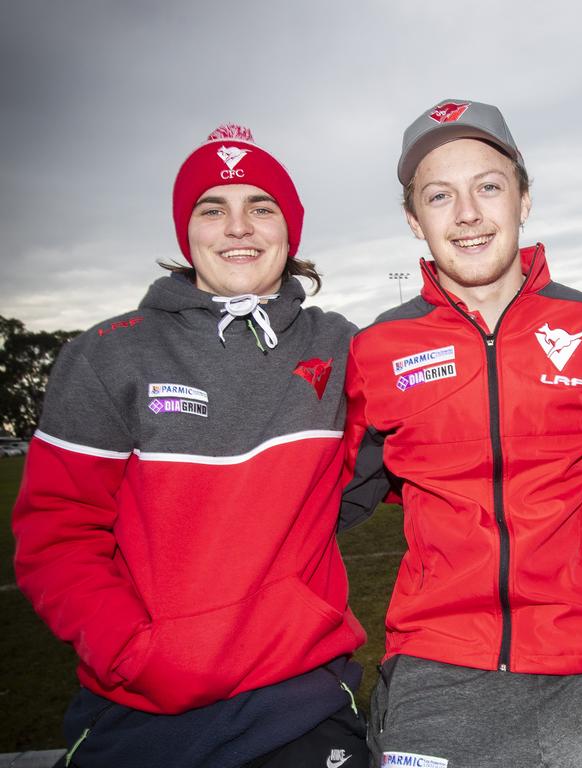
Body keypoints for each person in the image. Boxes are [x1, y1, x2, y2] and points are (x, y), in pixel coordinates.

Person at [12, 124, 370, 768]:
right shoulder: (107, 355)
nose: (238, 227)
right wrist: (134, 652)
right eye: (214, 208)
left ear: (289, 229)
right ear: (187, 232)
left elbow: (398, 453)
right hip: (142, 705)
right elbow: (57, 536)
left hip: (298, 695)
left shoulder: (342, 347)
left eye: (260, 207)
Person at [340, 99, 582, 767]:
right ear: (414, 219)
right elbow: (333, 500)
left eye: (489, 186)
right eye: (440, 195)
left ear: (523, 200)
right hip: (438, 664)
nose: (467, 213)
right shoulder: (379, 350)